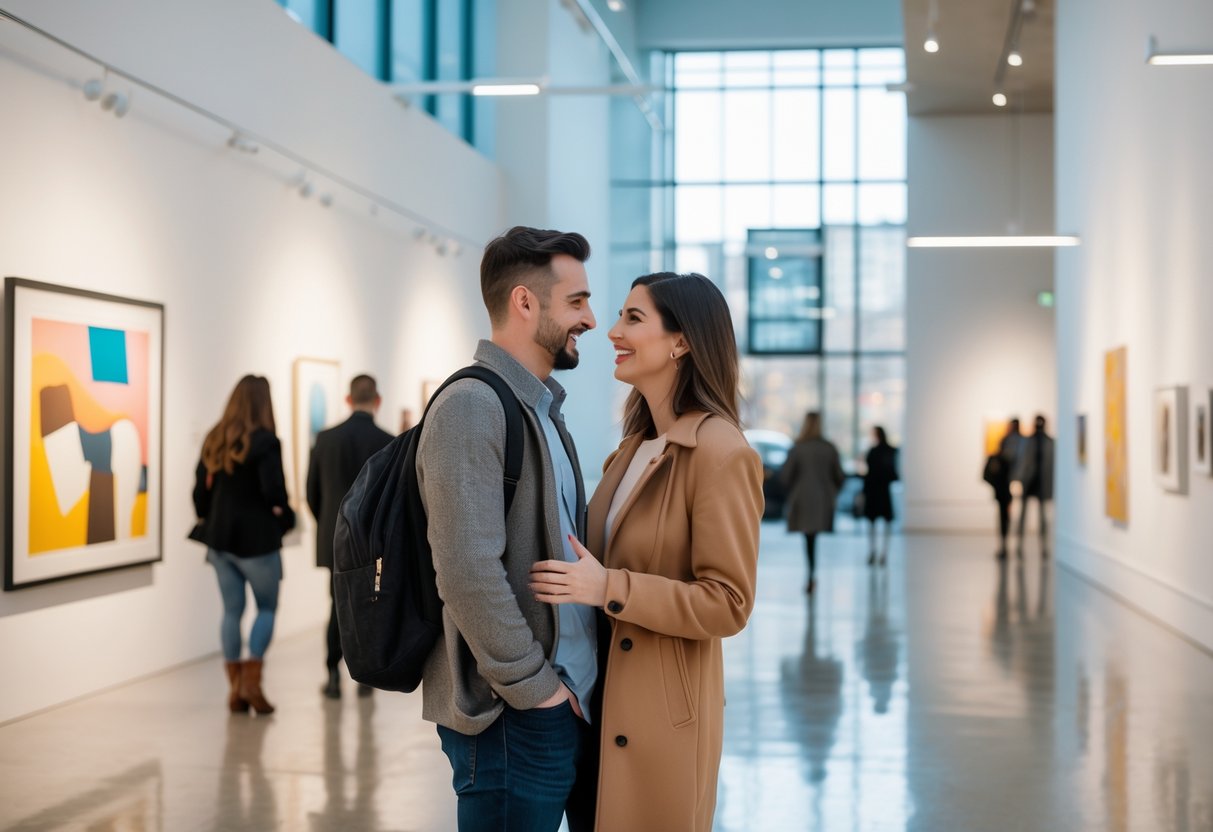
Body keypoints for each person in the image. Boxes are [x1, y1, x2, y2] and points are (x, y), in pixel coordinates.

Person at [529, 271, 764, 831]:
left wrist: (608, 587)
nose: (611, 331)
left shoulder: (720, 452)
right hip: (598, 705)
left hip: (661, 721)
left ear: (682, 341)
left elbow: (728, 603)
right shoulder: (632, 448)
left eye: (633, 318)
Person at [415, 226, 599, 832]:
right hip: (512, 716)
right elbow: (466, 571)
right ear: (525, 302)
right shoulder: (473, 404)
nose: (591, 319)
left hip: (560, 705)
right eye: (577, 301)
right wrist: (536, 690)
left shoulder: (543, 410)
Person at [193, 375, 295, 715]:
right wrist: (284, 516)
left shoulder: (214, 436)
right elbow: (274, 493)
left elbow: (199, 494)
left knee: (231, 611)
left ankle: (235, 689)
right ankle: (252, 682)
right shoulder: (266, 441)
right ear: (263, 403)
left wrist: (212, 515)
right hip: (257, 541)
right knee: (266, 608)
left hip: (219, 541)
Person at [306, 374, 393, 699]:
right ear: (377, 400)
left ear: (347, 399)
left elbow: (311, 492)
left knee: (337, 605)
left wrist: (330, 525)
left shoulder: (326, 439)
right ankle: (367, 677)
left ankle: (332, 673)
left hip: (334, 539)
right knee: (370, 605)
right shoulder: (386, 439)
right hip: (372, 542)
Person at [779, 411, 845, 594]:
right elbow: (839, 476)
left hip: (803, 498)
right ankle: (811, 574)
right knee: (813, 537)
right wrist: (832, 491)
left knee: (808, 538)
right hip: (823, 499)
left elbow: (785, 476)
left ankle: (810, 575)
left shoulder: (798, 448)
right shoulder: (829, 448)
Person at [1014, 414, 1055, 555]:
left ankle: (1044, 547)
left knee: (1043, 517)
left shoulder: (1050, 442)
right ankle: (1019, 545)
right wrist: (1019, 479)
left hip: (1042, 483)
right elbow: (1022, 462)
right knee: (1023, 516)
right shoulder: (1027, 442)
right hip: (1028, 482)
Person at [862, 426, 898, 566]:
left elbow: (870, 472)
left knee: (874, 523)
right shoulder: (889, 451)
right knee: (882, 522)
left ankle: (876, 551)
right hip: (881, 490)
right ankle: (880, 552)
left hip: (876, 490)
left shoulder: (875, 451)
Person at [990, 417, 1024, 559]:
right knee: (1005, 516)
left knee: (1007, 515)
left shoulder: (1018, 442)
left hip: (1011, 483)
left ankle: (1011, 546)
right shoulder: (1017, 442)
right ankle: (1006, 546)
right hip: (1006, 485)